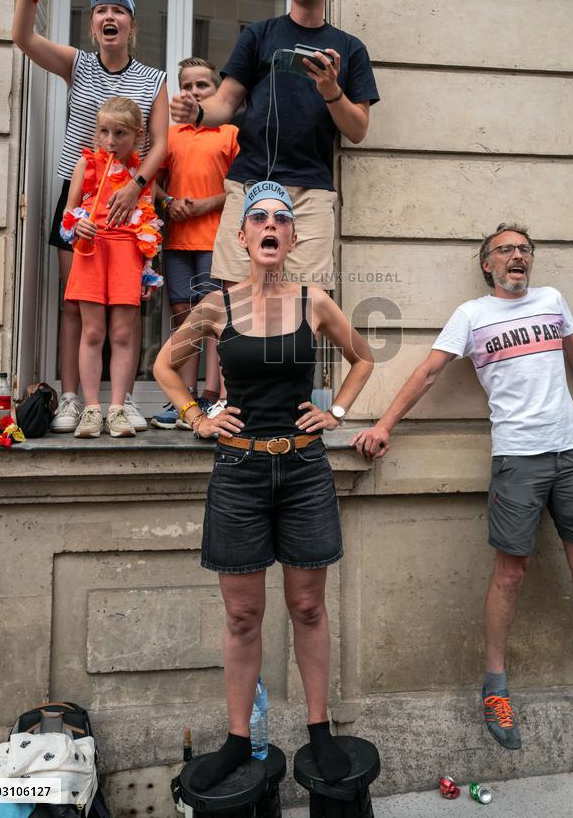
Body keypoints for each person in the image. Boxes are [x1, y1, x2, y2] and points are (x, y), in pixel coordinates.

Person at [352, 223, 573, 750]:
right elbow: (428, 373)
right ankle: (494, 684)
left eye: (524, 249)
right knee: (510, 573)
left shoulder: (552, 301)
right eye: (506, 250)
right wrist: (384, 425)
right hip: (517, 459)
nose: (517, 256)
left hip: (570, 450)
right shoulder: (472, 315)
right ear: (487, 263)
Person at [153, 179, 374, 789]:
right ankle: (237, 739)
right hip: (239, 473)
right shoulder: (217, 306)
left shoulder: (313, 300)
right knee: (243, 615)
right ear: (243, 236)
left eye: (282, 218)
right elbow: (164, 366)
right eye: (259, 218)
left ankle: (319, 731)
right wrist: (198, 417)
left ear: (293, 238)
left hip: (303, 471)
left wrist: (337, 412)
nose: (271, 225)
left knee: (307, 606)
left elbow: (363, 358)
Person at [11, 0, 168, 433]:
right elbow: (23, 38)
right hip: (78, 197)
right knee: (74, 302)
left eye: (118, 11)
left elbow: (161, 144)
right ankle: (72, 398)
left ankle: (124, 400)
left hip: (132, 200)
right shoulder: (77, 64)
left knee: (126, 303)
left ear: (131, 25)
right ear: (93, 24)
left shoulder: (154, 79)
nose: (109, 17)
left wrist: (136, 185)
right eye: (101, 11)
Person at [169, 0, 379, 289]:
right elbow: (225, 103)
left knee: (305, 302)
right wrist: (197, 112)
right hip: (250, 181)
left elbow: (357, 130)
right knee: (237, 298)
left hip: (310, 190)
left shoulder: (351, 48)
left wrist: (332, 91)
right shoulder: (258, 34)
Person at [61, 97, 163, 439]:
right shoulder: (86, 164)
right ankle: (91, 409)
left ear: (137, 136)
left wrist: (147, 269)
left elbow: (148, 224)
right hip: (91, 251)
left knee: (122, 334)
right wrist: (77, 225)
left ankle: (117, 408)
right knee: (92, 332)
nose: (110, 140)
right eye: (104, 131)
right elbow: (68, 214)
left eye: (120, 133)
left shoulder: (142, 175)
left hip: (126, 253)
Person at [152, 58, 239, 430]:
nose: (193, 91)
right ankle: (183, 397)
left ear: (216, 92)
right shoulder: (170, 136)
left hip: (214, 239)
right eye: (186, 85)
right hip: (177, 242)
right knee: (182, 317)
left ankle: (213, 395)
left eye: (202, 85)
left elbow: (239, 188)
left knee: (214, 317)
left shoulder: (229, 133)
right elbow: (152, 183)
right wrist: (168, 202)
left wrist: (207, 204)